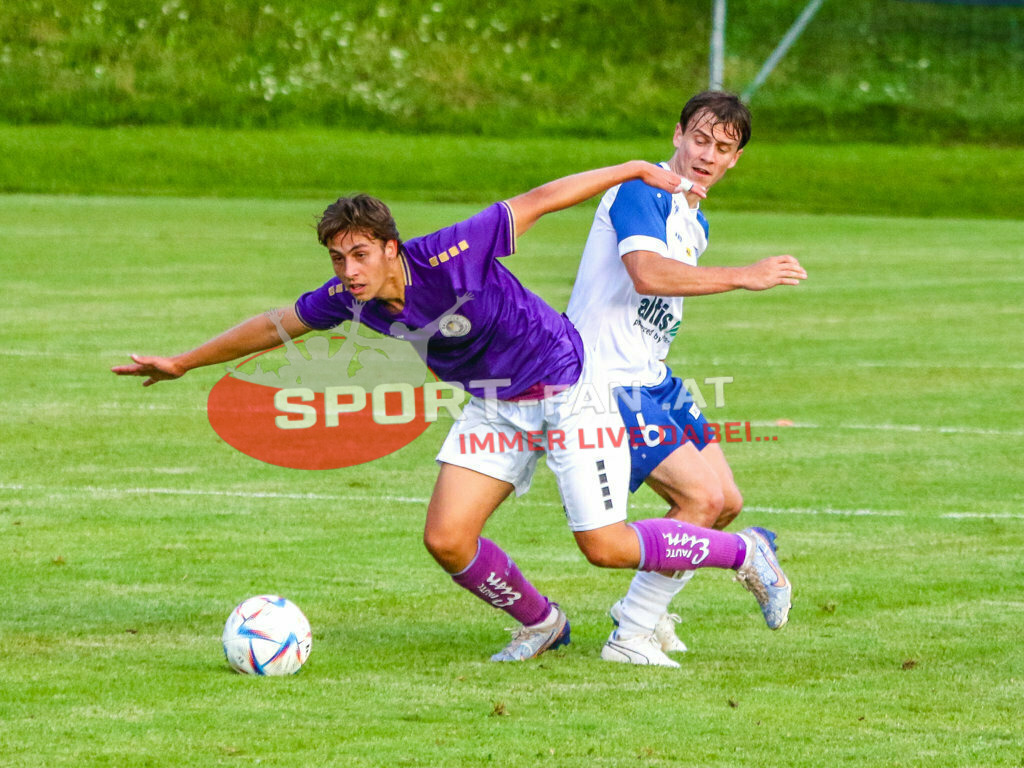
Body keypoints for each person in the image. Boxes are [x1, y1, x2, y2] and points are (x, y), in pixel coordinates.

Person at [113, 160, 791, 663]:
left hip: (566, 388)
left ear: (388, 247)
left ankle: (744, 552)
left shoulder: (453, 252)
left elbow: (544, 199)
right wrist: (181, 362)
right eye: (336, 257)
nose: (347, 270)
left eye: (358, 254)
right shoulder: (347, 298)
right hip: (496, 405)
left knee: (605, 546)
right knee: (447, 539)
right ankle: (542, 623)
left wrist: (638, 169)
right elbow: (273, 323)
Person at [566, 91, 806, 667]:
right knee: (699, 498)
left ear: (734, 160)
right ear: (677, 135)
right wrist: (744, 277)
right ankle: (632, 635)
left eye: (723, 148)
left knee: (724, 503)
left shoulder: (695, 220)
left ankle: (645, 614)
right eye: (700, 139)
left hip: (652, 377)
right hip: (604, 380)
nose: (707, 154)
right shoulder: (640, 191)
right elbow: (647, 275)